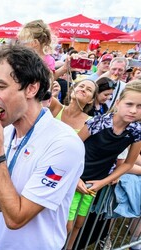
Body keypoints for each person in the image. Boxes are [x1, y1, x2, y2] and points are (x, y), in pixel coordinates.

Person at [0, 44, 85, 249]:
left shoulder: (64, 144)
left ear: (31, 88)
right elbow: (3, 188)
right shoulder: (5, 131)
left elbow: (17, 218)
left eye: (1, 86)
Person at [66, 81, 141, 250]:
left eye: (140, 106)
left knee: (79, 223)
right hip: (73, 179)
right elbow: (72, 149)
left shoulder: (136, 131)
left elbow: (128, 163)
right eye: (129, 104)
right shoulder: (98, 123)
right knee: (67, 225)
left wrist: (104, 181)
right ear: (118, 103)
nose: (134, 110)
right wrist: (74, 177)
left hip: (95, 184)